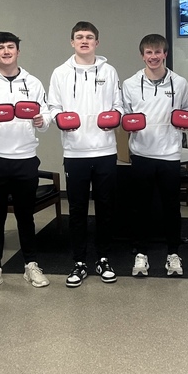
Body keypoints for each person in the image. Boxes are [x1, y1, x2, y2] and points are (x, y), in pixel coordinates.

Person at [0, 32, 51, 293]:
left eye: (10, 47)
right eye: (0, 48)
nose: (6, 51)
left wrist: (42, 121)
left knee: (26, 215)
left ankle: (30, 265)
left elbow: (46, 112)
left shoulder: (33, 82)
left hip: (25, 159)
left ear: (17, 51)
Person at [48, 21, 123, 288]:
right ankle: (79, 262)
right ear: (72, 42)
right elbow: (53, 106)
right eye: (79, 37)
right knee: (77, 209)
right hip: (75, 150)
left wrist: (116, 117)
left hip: (104, 150)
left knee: (105, 207)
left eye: (89, 37)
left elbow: (118, 105)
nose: (84, 41)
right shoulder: (60, 73)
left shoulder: (109, 71)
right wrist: (59, 118)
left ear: (96, 43)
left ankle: (103, 259)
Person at [121, 33, 188, 277]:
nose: (153, 56)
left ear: (165, 54)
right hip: (141, 152)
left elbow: (185, 112)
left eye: (158, 52)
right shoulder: (130, 84)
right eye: (148, 52)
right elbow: (125, 117)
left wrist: (184, 122)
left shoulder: (180, 83)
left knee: (171, 207)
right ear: (142, 55)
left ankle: (173, 253)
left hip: (170, 154)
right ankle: (141, 253)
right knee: (140, 207)